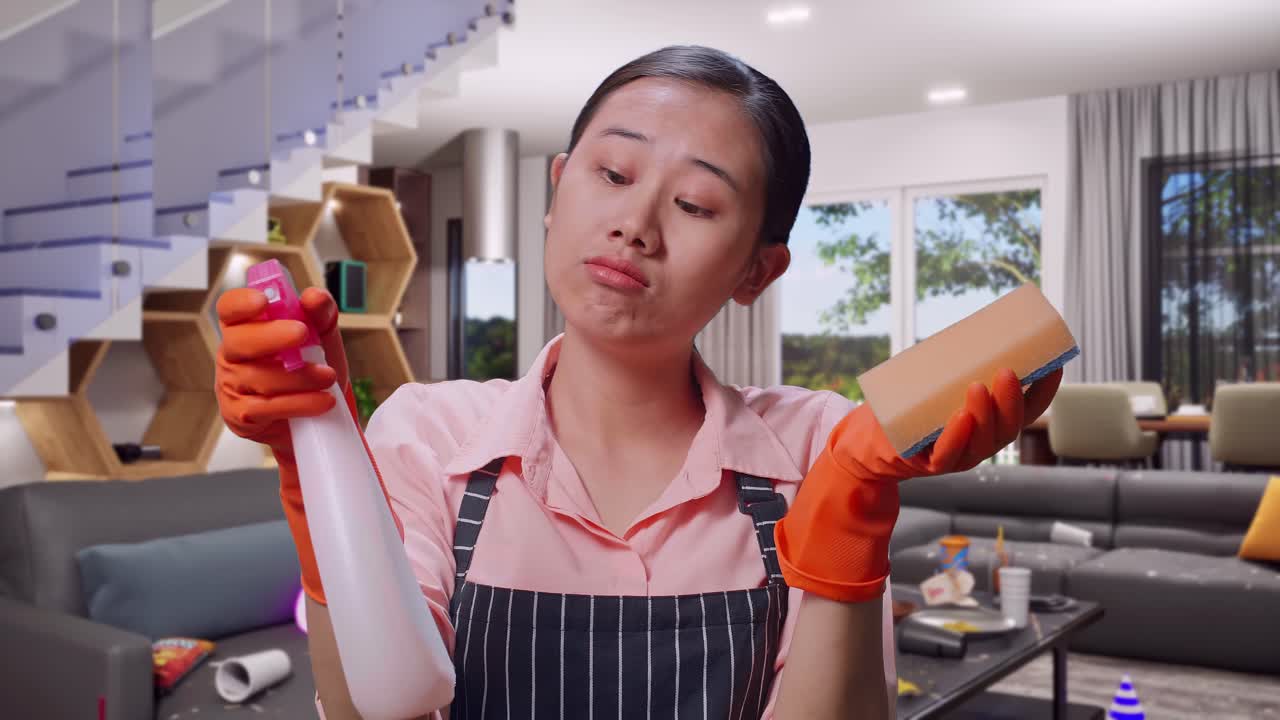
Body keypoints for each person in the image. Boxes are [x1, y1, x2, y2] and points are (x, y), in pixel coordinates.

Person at [214, 45, 1061, 719]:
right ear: (557, 192)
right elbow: (381, 708)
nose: (634, 224)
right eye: (614, 175)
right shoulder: (429, 437)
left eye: (695, 205)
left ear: (758, 270)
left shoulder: (818, 448)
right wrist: (318, 467)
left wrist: (849, 508)